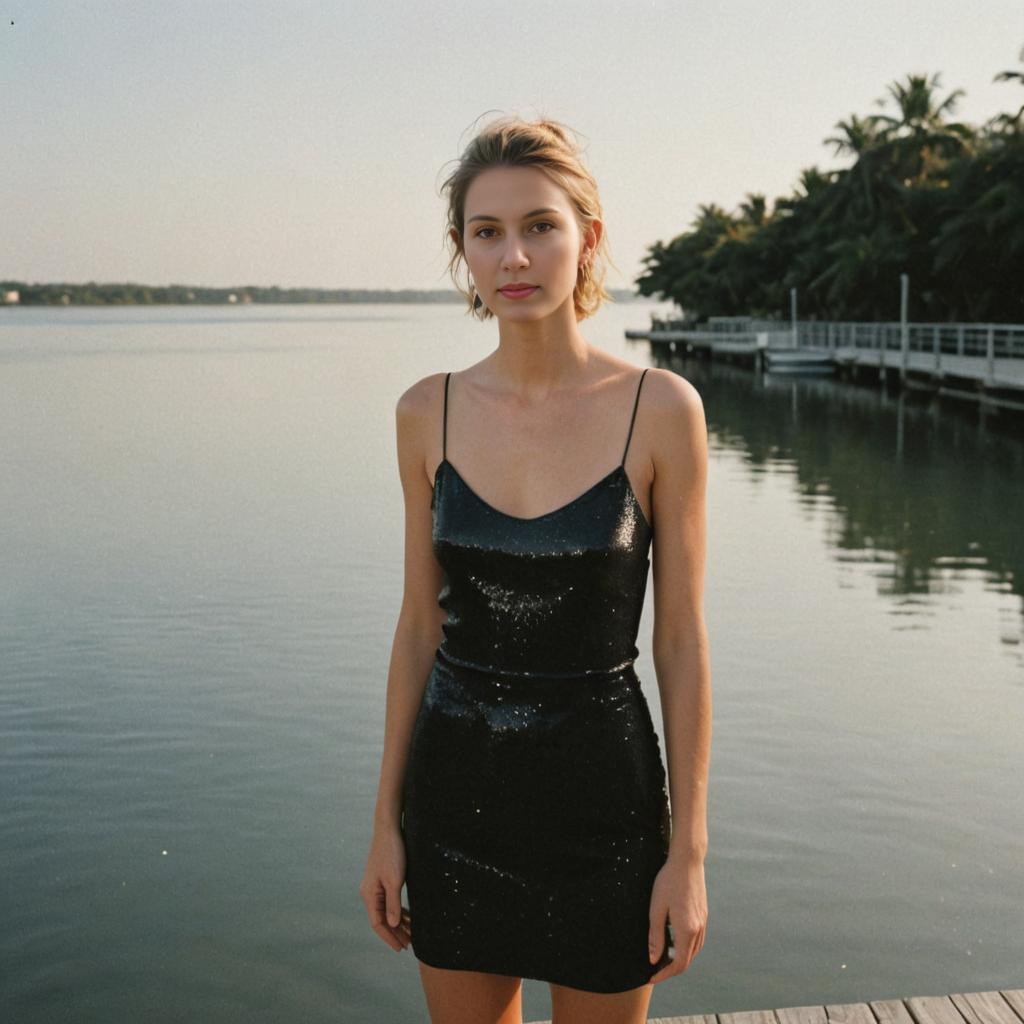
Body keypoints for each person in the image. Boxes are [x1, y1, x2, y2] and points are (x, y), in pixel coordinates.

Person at [360, 114, 711, 1024]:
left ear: (587, 237)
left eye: (540, 226)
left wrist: (689, 854)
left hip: (607, 810)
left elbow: (679, 642)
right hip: (454, 807)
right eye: (487, 232)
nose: (514, 255)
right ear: (462, 252)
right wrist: (385, 827)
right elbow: (417, 632)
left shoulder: (661, 409)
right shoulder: (423, 413)